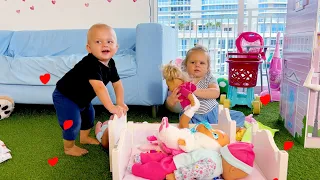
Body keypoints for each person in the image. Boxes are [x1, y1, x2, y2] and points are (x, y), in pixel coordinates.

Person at [52, 23, 128, 157]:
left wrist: (120, 102)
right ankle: (69, 147)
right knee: (72, 121)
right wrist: (111, 107)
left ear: (116, 47)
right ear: (89, 48)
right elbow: (99, 87)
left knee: (89, 115)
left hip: (82, 98)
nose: (105, 45)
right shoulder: (90, 63)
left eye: (109, 41)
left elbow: (117, 84)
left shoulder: (111, 63)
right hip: (65, 96)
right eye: (98, 42)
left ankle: (84, 137)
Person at [165, 45, 245, 132]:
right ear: (185, 65)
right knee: (187, 126)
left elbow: (215, 93)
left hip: (213, 111)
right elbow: (172, 101)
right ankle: (205, 133)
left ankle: (229, 131)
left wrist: (195, 91)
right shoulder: (183, 79)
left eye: (202, 63)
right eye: (192, 62)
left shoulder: (209, 78)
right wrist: (170, 102)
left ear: (207, 68)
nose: (197, 65)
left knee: (239, 115)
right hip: (193, 115)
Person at [161, 61, 200, 128]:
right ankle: (182, 129)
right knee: (182, 118)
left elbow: (189, 94)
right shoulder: (181, 89)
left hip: (192, 105)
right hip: (190, 106)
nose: (169, 89)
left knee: (184, 120)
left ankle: (187, 132)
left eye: (169, 86)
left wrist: (192, 102)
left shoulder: (182, 89)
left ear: (174, 82)